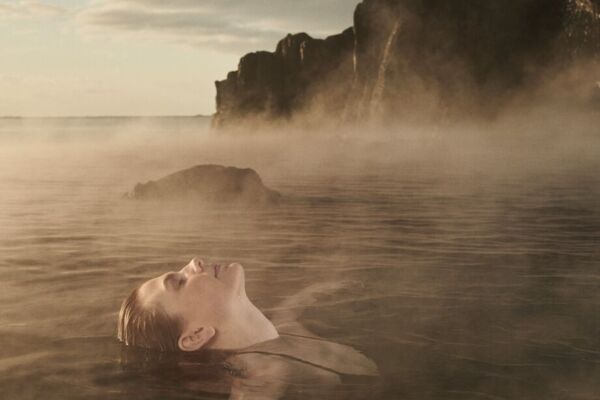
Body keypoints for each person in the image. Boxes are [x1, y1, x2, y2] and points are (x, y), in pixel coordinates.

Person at [118, 258, 379, 400]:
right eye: (179, 281)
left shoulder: (284, 329)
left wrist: (322, 289)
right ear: (196, 335)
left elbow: (291, 307)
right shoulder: (263, 376)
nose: (194, 262)